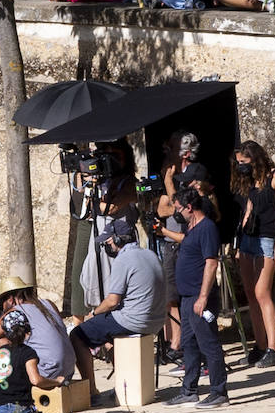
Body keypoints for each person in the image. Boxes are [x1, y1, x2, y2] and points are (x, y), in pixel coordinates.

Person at [69, 218, 167, 399]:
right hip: (157, 321)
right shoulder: (150, 254)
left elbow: (112, 301)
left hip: (134, 320)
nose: (107, 245)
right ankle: (124, 381)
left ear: (118, 240)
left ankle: (91, 392)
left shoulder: (124, 260)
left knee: (77, 335)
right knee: (106, 334)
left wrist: (93, 313)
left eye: (109, 241)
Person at [164, 188, 229, 408]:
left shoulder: (207, 228)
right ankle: (189, 390)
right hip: (187, 298)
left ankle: (219, 392)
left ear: (189, 208)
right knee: (189, 344)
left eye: (179, 209)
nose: (177, 213)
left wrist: (202, 297)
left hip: (201, 299)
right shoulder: (191, 228)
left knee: (208, 343)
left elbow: (211, 263)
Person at [154, 132, 212, 361]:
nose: (167, 153)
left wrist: (169, 186)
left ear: (186, 153)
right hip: (170, 243)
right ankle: (175, 341)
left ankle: (181, 344)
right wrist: (170, 202)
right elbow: (162, 208)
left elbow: (181, 209)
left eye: (173, 149)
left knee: (185, 296)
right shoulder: (176, 175)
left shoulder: (195, 172)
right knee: (169, 295)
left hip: (184, 243)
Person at [232, 141, 275, 368]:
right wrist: (238, 242)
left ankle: (274, 348)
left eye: (244, 162)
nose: (241, 167)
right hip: (249, 238)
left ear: (254, 158)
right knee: (249, 292)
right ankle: (260, 345)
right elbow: (249, 209)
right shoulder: (251, 181)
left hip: (267, 238)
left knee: (262, 291)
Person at [77, 140, 139, 317]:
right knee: (94, 274)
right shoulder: (101, 181)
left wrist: (95, 194)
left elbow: (110, 207)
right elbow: (80, 187)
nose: (113, 161)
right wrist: (85, 168)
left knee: (116, 283)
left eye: (116, 155)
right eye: (108, 156)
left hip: (120, 240)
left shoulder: (129, 182)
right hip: (99, 238)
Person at [0, 277, 76, 380]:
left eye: (3, 304)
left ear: (10, 299)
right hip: (68, 371)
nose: (3, 309)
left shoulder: (15, 312)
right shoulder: (48, 304)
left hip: (47, 373)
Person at [0, 309, 71, 413]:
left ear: (4, 331)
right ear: (27, 331)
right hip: (20, 408)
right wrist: (56, 382)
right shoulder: (27, 353)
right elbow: (36, 380)